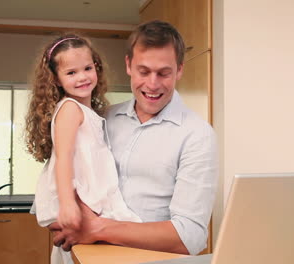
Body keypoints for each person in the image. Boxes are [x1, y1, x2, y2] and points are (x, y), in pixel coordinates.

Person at [49, 20, 218, 256]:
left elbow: (189, 236)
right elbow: (63, 176)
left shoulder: (197, 135)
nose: (152, 84)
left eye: (164, 73)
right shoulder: (102, 119)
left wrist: (97, 229)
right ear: (128, 64)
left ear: (180, 69)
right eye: (144, 71)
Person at [25, 34, 142, 264]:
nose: (82, 77)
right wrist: (68, 204)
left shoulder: (89, 113)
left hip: (89, 204)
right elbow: (64, 158)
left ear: (96, 67)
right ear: (56, 80)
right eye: (71, 73)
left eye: (87, 68)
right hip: (77, 204)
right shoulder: (70, 109)